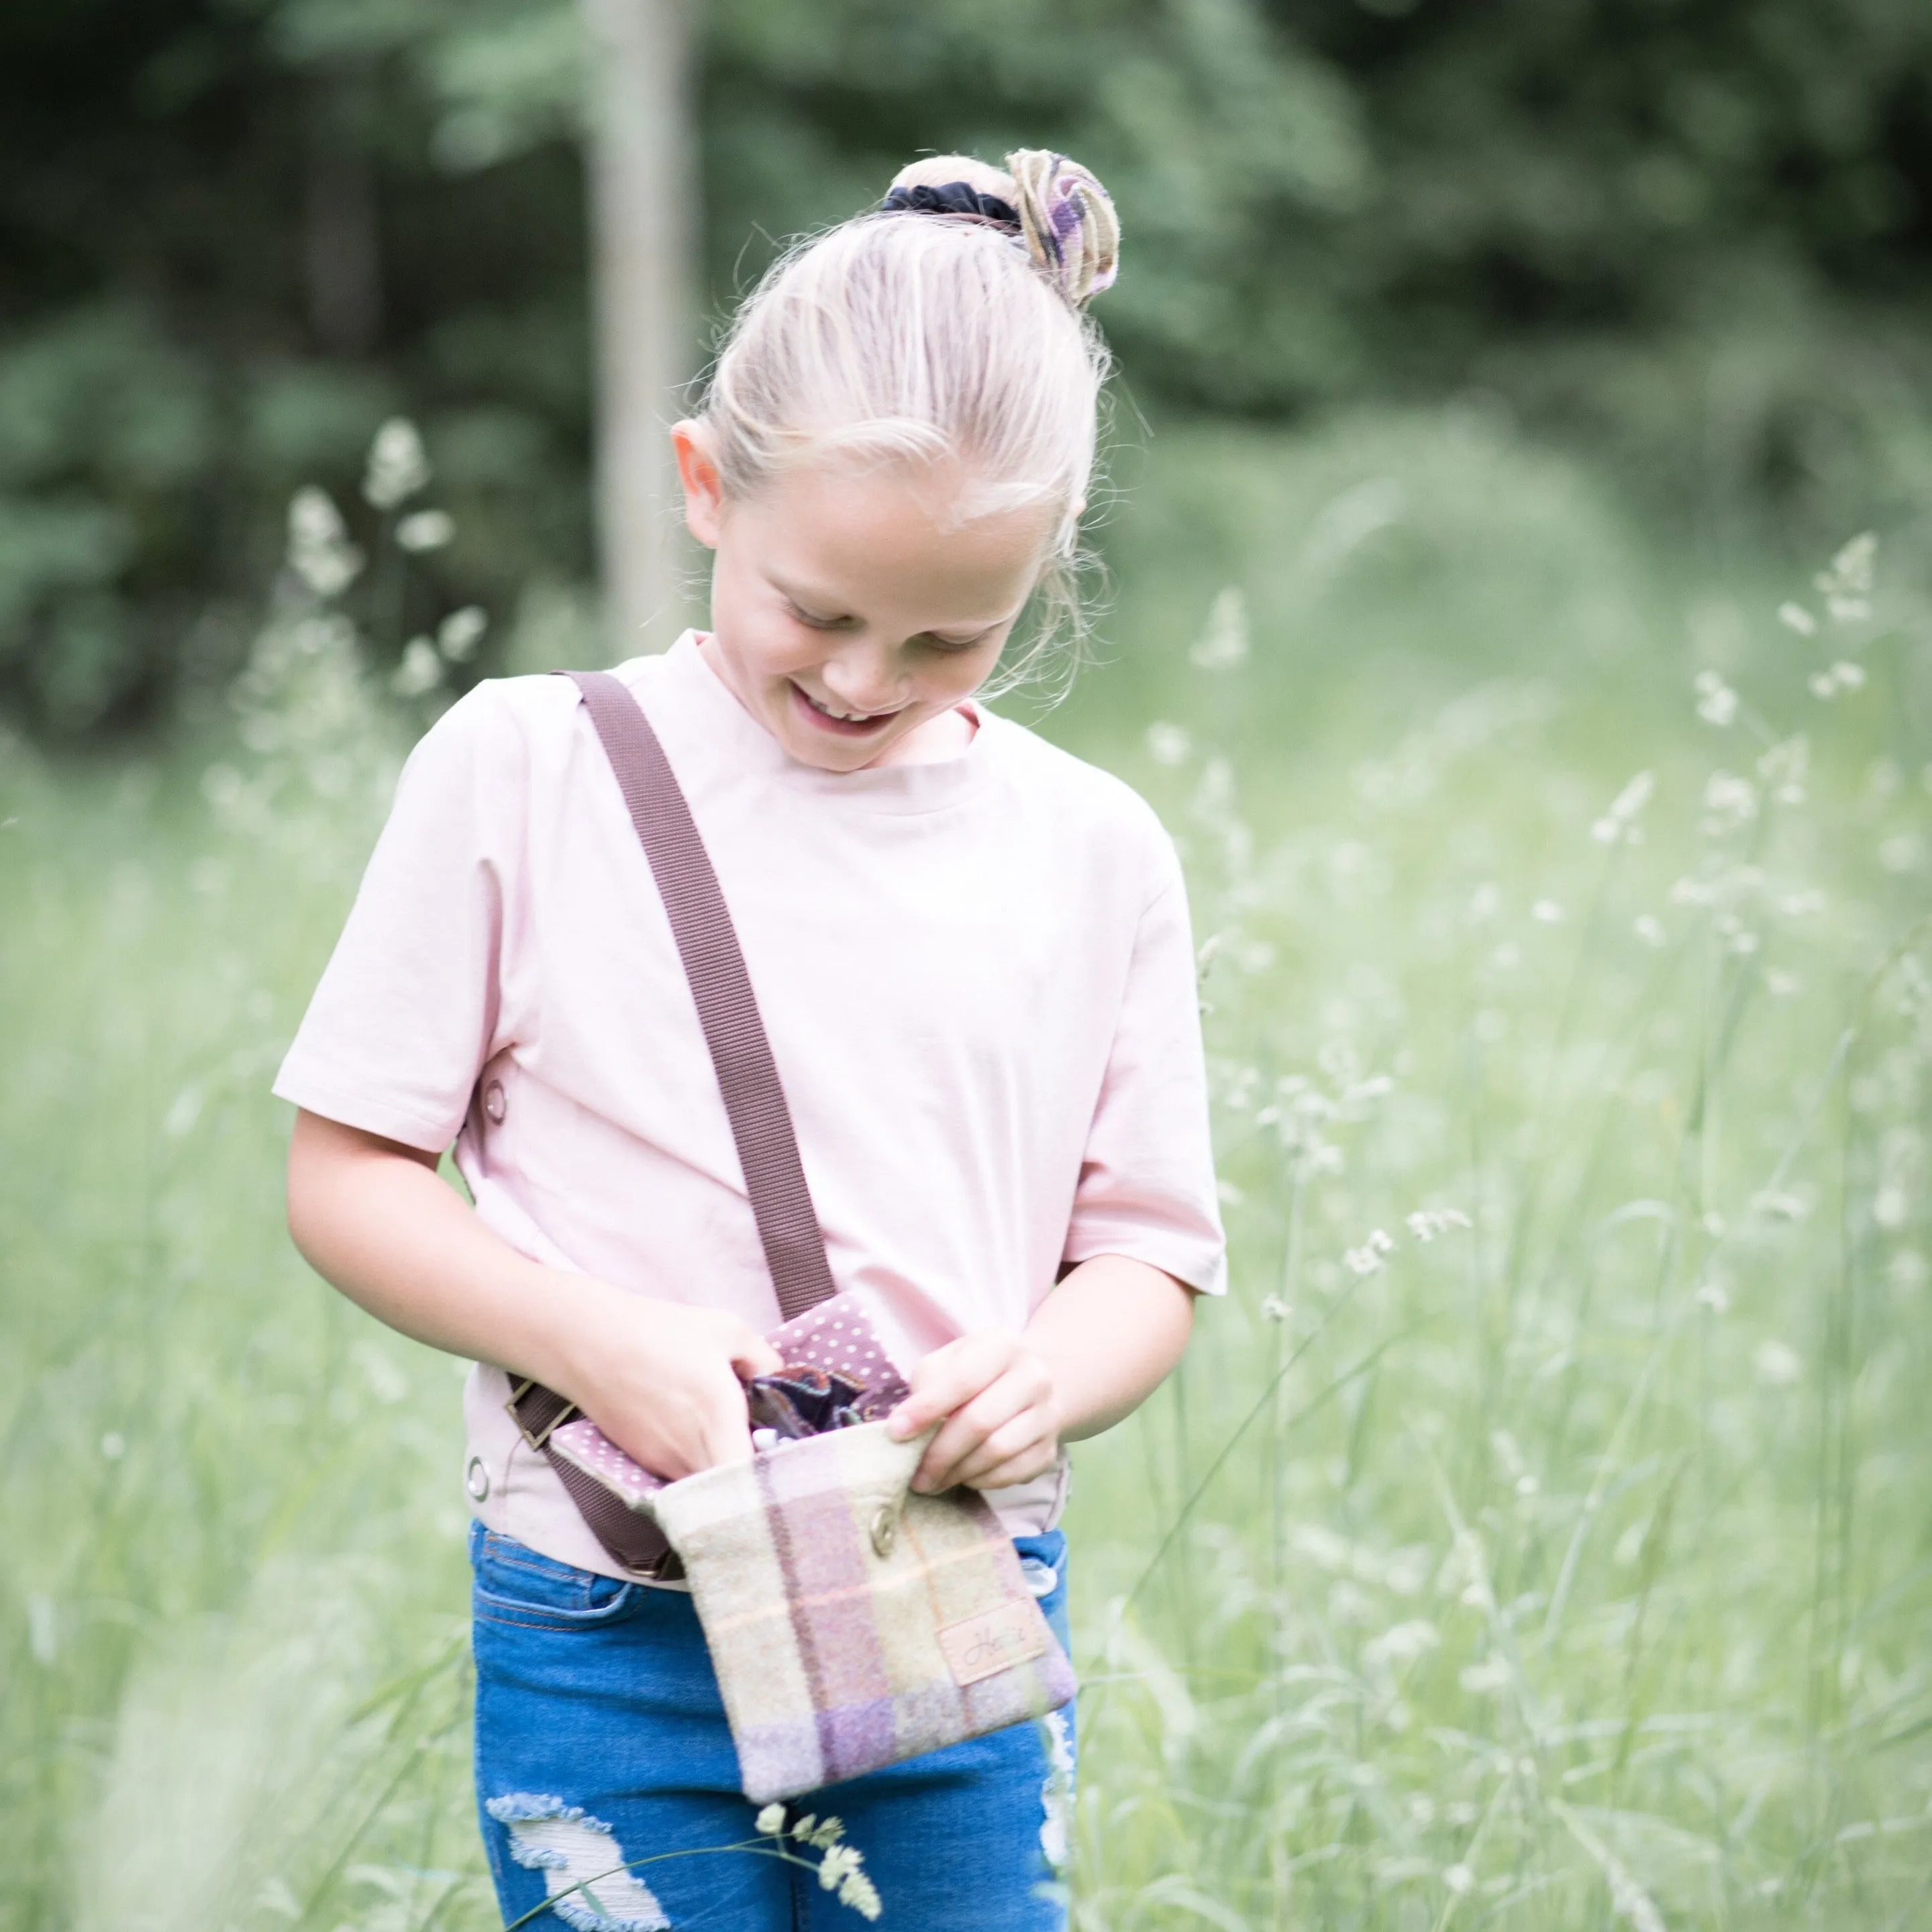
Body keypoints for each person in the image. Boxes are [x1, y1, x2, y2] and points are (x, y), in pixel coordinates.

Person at [276, 148, 1226, 1931]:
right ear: (706, 484)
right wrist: (594, 1337)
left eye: (954, 634)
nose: (864, 679)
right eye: (817, 609)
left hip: (944, 1594)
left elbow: (1148, 1259)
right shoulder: (523, 769)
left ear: (1044, 571)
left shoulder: (1094, 850)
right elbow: (347, 1173)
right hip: (608, 1613)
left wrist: (1044, 1373)